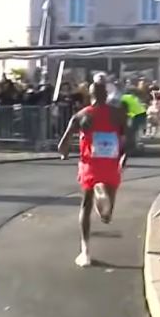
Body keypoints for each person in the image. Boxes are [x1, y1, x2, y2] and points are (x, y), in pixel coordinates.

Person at [58, 82, 127, 267]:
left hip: (91, 164)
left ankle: (85, 253)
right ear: (106, 95)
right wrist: (124, 157)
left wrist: (64, 153)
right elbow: (127, 139)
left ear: (90, 96)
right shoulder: (118, 114)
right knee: (106, 216)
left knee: (85, 207)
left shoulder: (81, 115)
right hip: (111, 164)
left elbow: (62, 144)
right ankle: (105, 206)